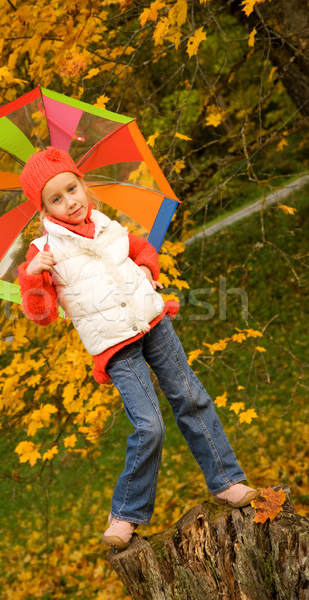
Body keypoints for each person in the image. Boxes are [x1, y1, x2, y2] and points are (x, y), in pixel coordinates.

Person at [18, 146, 259, 551]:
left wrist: (149, 270)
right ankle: (126, 513)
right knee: (150, 425)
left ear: (82, 184)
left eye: (72, 189)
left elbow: (141, 249)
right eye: (56, 198)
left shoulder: (107, 225)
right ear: (43, 208)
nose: (70, 201)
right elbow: (41, 314)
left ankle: (227, 480)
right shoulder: (43, 253)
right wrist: (32, 278)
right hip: (115, 348)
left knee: (191, 397)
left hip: (153, 322)